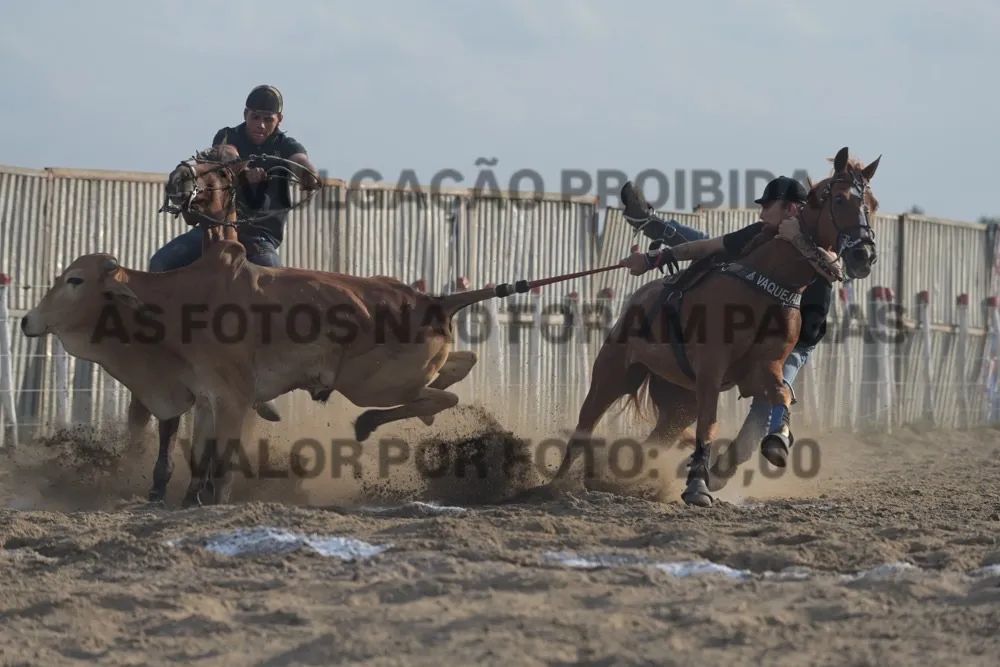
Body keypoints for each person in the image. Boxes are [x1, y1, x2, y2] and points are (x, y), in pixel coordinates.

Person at [620, 176, 835, 483]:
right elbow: (710, 245)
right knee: (715, 245)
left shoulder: (822, 242)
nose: (761, 214)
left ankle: (726, 467)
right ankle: (649, 222)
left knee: (769, 400)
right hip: (758, 330)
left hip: (795, 343)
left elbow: (835, 266)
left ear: (791, 209)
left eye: (768, 207)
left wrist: (799, 240)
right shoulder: (766, 236)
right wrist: (657, 257)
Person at [149, 84, 319, 272]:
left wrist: (308, 174)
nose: (261, 124)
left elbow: (300, 160)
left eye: (268, 119)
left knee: (271, 275)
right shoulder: (228, 135)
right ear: (245, 114)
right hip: (216, 228)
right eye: (255, 117)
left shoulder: (287, 146)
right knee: (160, 263)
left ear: (279, 119)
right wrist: (242, 172)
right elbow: (227, 152)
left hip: (259, 235)